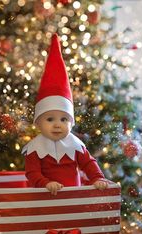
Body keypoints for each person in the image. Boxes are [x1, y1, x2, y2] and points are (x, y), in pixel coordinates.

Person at [22, 33, 108, 195]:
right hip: (44, 197)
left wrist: (97, 178)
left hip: (73, 198)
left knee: (72, 219)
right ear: (38, 122)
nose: (57, 124)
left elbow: (88, 163)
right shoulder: (34, 149)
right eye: (49, 119)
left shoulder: (76, 146)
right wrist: (46, 183)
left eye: (64, 119)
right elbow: (32, 173)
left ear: (71, 122)